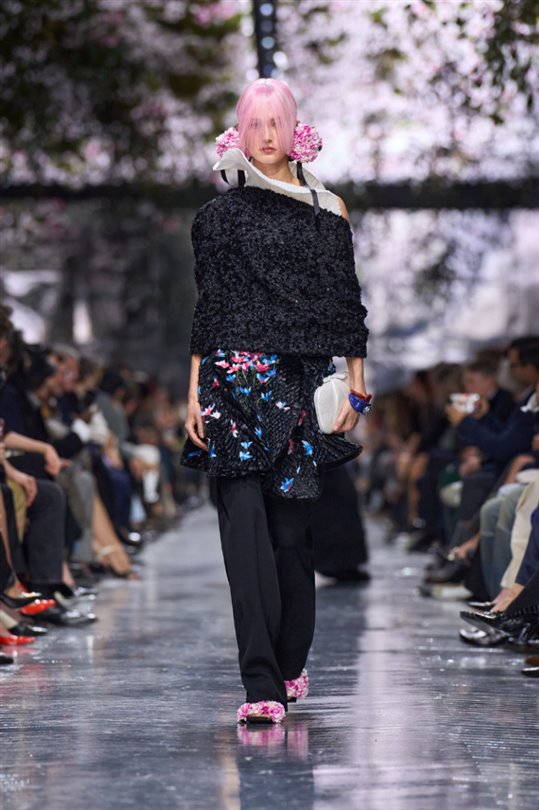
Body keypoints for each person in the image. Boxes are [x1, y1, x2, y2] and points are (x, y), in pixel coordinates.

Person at [181, 78, 369, 724]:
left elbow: (344, 301)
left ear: (294, 131)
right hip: (229, 384)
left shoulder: (326, 208)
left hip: (298, 383)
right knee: (244, 538)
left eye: (276, 123)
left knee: (290, 538)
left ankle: (288, 664)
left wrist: (356, 383)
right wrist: (191, 392)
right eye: (254, 123)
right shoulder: (215, 219)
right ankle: (259, 683)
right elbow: (208, 310)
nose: (265, 135)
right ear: (238, 131)